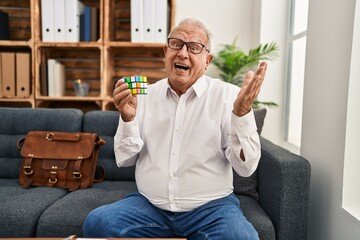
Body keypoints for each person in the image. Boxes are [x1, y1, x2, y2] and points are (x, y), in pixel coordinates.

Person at [83, 18, 267, 240]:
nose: (182, 53)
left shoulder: (228, 96)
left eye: (194, 47)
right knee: (97, 223)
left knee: (242, 238)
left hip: (211, 208)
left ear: (207, 60)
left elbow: (246, 168)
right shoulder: (143, 96)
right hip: (151, 206)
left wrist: (242, 114)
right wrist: (128, 118)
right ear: (165, 52)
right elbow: (124, 159)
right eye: (176, 44)